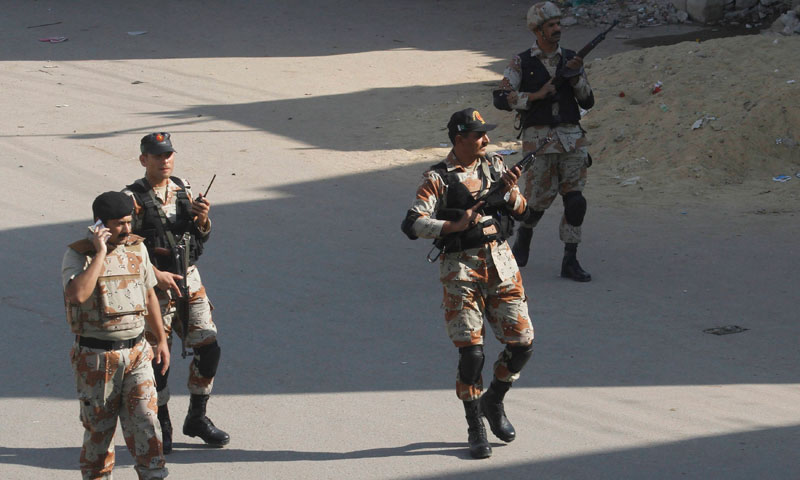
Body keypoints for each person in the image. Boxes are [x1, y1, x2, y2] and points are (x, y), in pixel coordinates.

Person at [401, 108, 535, 459]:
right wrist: (451, 227)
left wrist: (508, 193)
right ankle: (475, 424)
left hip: (501, 266)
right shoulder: (438, 178)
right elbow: (413, 223)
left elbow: (524, 212)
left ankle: (495, 399)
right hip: (461, 272)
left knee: (522, 344)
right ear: (459, 139)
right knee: (471, 353)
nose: (486, 139)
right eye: (478, 135)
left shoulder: (495, 167)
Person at [123, 132, 230, 454]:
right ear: (144, 160)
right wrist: (154, 273)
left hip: (189, 279)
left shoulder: (182, 189)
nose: (164, 160)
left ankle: (197, 417)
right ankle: (163, 423)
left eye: (168, 154)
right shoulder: (132, 199)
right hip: (154, 287)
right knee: (159, 358)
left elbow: (200, 236)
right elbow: (122, 246)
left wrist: (203, 218)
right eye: (157, 156)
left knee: (208, 347)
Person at [62, 191, 170, 479]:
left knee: (147, 423)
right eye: (119, 224)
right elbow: (78, 294)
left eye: (128, 221)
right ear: (101, 224)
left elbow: (148, 294)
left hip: (137, 352)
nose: (126, 229)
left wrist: (160, 340)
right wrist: (99, 253)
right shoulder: (78, 254)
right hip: (98, 359)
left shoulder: (137, 249)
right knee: (100, 431)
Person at [494, 1, 595, 282]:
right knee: (537, 202)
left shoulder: (571, 59)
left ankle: (570, 260)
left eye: (558, 24)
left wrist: (576, 78)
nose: (557, 29)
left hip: (572, 139)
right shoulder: (522, 62)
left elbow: (588, 100)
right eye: (551, 25)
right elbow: (501, 97)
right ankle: (524, 235)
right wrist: (534, 96)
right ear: (538, 31)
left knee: (576, 202)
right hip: (539, 140)